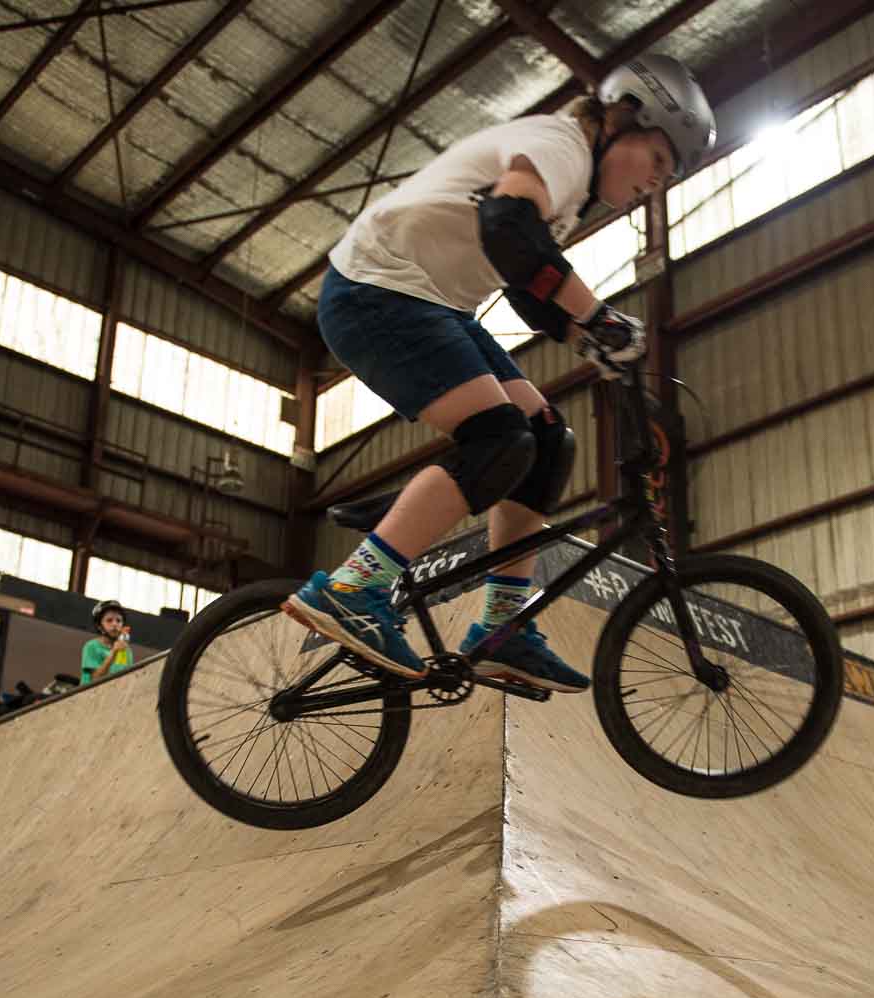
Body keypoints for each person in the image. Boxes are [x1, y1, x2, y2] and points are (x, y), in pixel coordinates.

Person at [283, 56, 715, 694]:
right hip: (376, 291)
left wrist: (583, 333)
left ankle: (501, 627)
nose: (654, 184)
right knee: (499, 438)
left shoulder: (565, 184)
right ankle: (353, 588)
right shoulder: (560, 149)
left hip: (432, 302)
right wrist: (597, 316)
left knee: (545, 439)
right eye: (656, 162)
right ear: (623, 121)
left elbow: (524, 278)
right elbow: (509, 232)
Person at [81, 600, 133, 685]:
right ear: (100, 626)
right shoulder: (91, 646)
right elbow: (95, 680)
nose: (115, 624)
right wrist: (114, 652)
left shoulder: (126, 651)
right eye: (109, 620)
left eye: (118, 621)